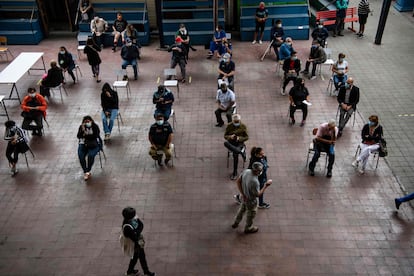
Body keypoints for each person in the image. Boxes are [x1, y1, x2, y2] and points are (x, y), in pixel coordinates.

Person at [231, 162, 272, 234]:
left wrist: (243, 194)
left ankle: (236, 223)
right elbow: (258, 194)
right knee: (251, 214)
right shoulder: (255, 182)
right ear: (256, 171)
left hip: (243, 198)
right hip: (250, 201)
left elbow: (238, 181)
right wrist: (266, 185)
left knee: (241, 210)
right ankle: (248, 228)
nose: (261, 171)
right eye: (260, 170)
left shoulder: (246, 171)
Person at [121, 207, 156, 276]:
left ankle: (130, 271)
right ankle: (146, 272)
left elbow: (141, 225)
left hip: (137, 241)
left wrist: (137, 231)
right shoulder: (127, 227)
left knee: (135, 257)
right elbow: (135, 237)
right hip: (135, 244)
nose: (135, 216)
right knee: (142, 257)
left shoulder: (133, 218)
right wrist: (138, 232)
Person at [224, 114, 249, 180]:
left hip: (239, 143)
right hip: (231, 142)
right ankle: (240, 152)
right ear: (232, 121)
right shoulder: (229, 126)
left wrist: (239, 138)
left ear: (240, 120)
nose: (236, 123)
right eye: (235, 121)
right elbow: (225, 136)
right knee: (226, 143)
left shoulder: (243, 126)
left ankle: (235, 172)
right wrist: (230, 137)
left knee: (235, 154)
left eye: (237, 121)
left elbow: (246, 137)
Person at [77, 115, 101, 181]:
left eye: (88, 121)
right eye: (85, 122)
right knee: (81, 156)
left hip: (93, 145)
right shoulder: (81, 127)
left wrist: (85, 135)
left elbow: (95, 136)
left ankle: (88, 170)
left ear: (91, 121)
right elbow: (78, 136)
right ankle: (85, 171)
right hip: (83, 144)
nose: (87, 123)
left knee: (91, 155)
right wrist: (83, 130)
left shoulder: (95, 127)